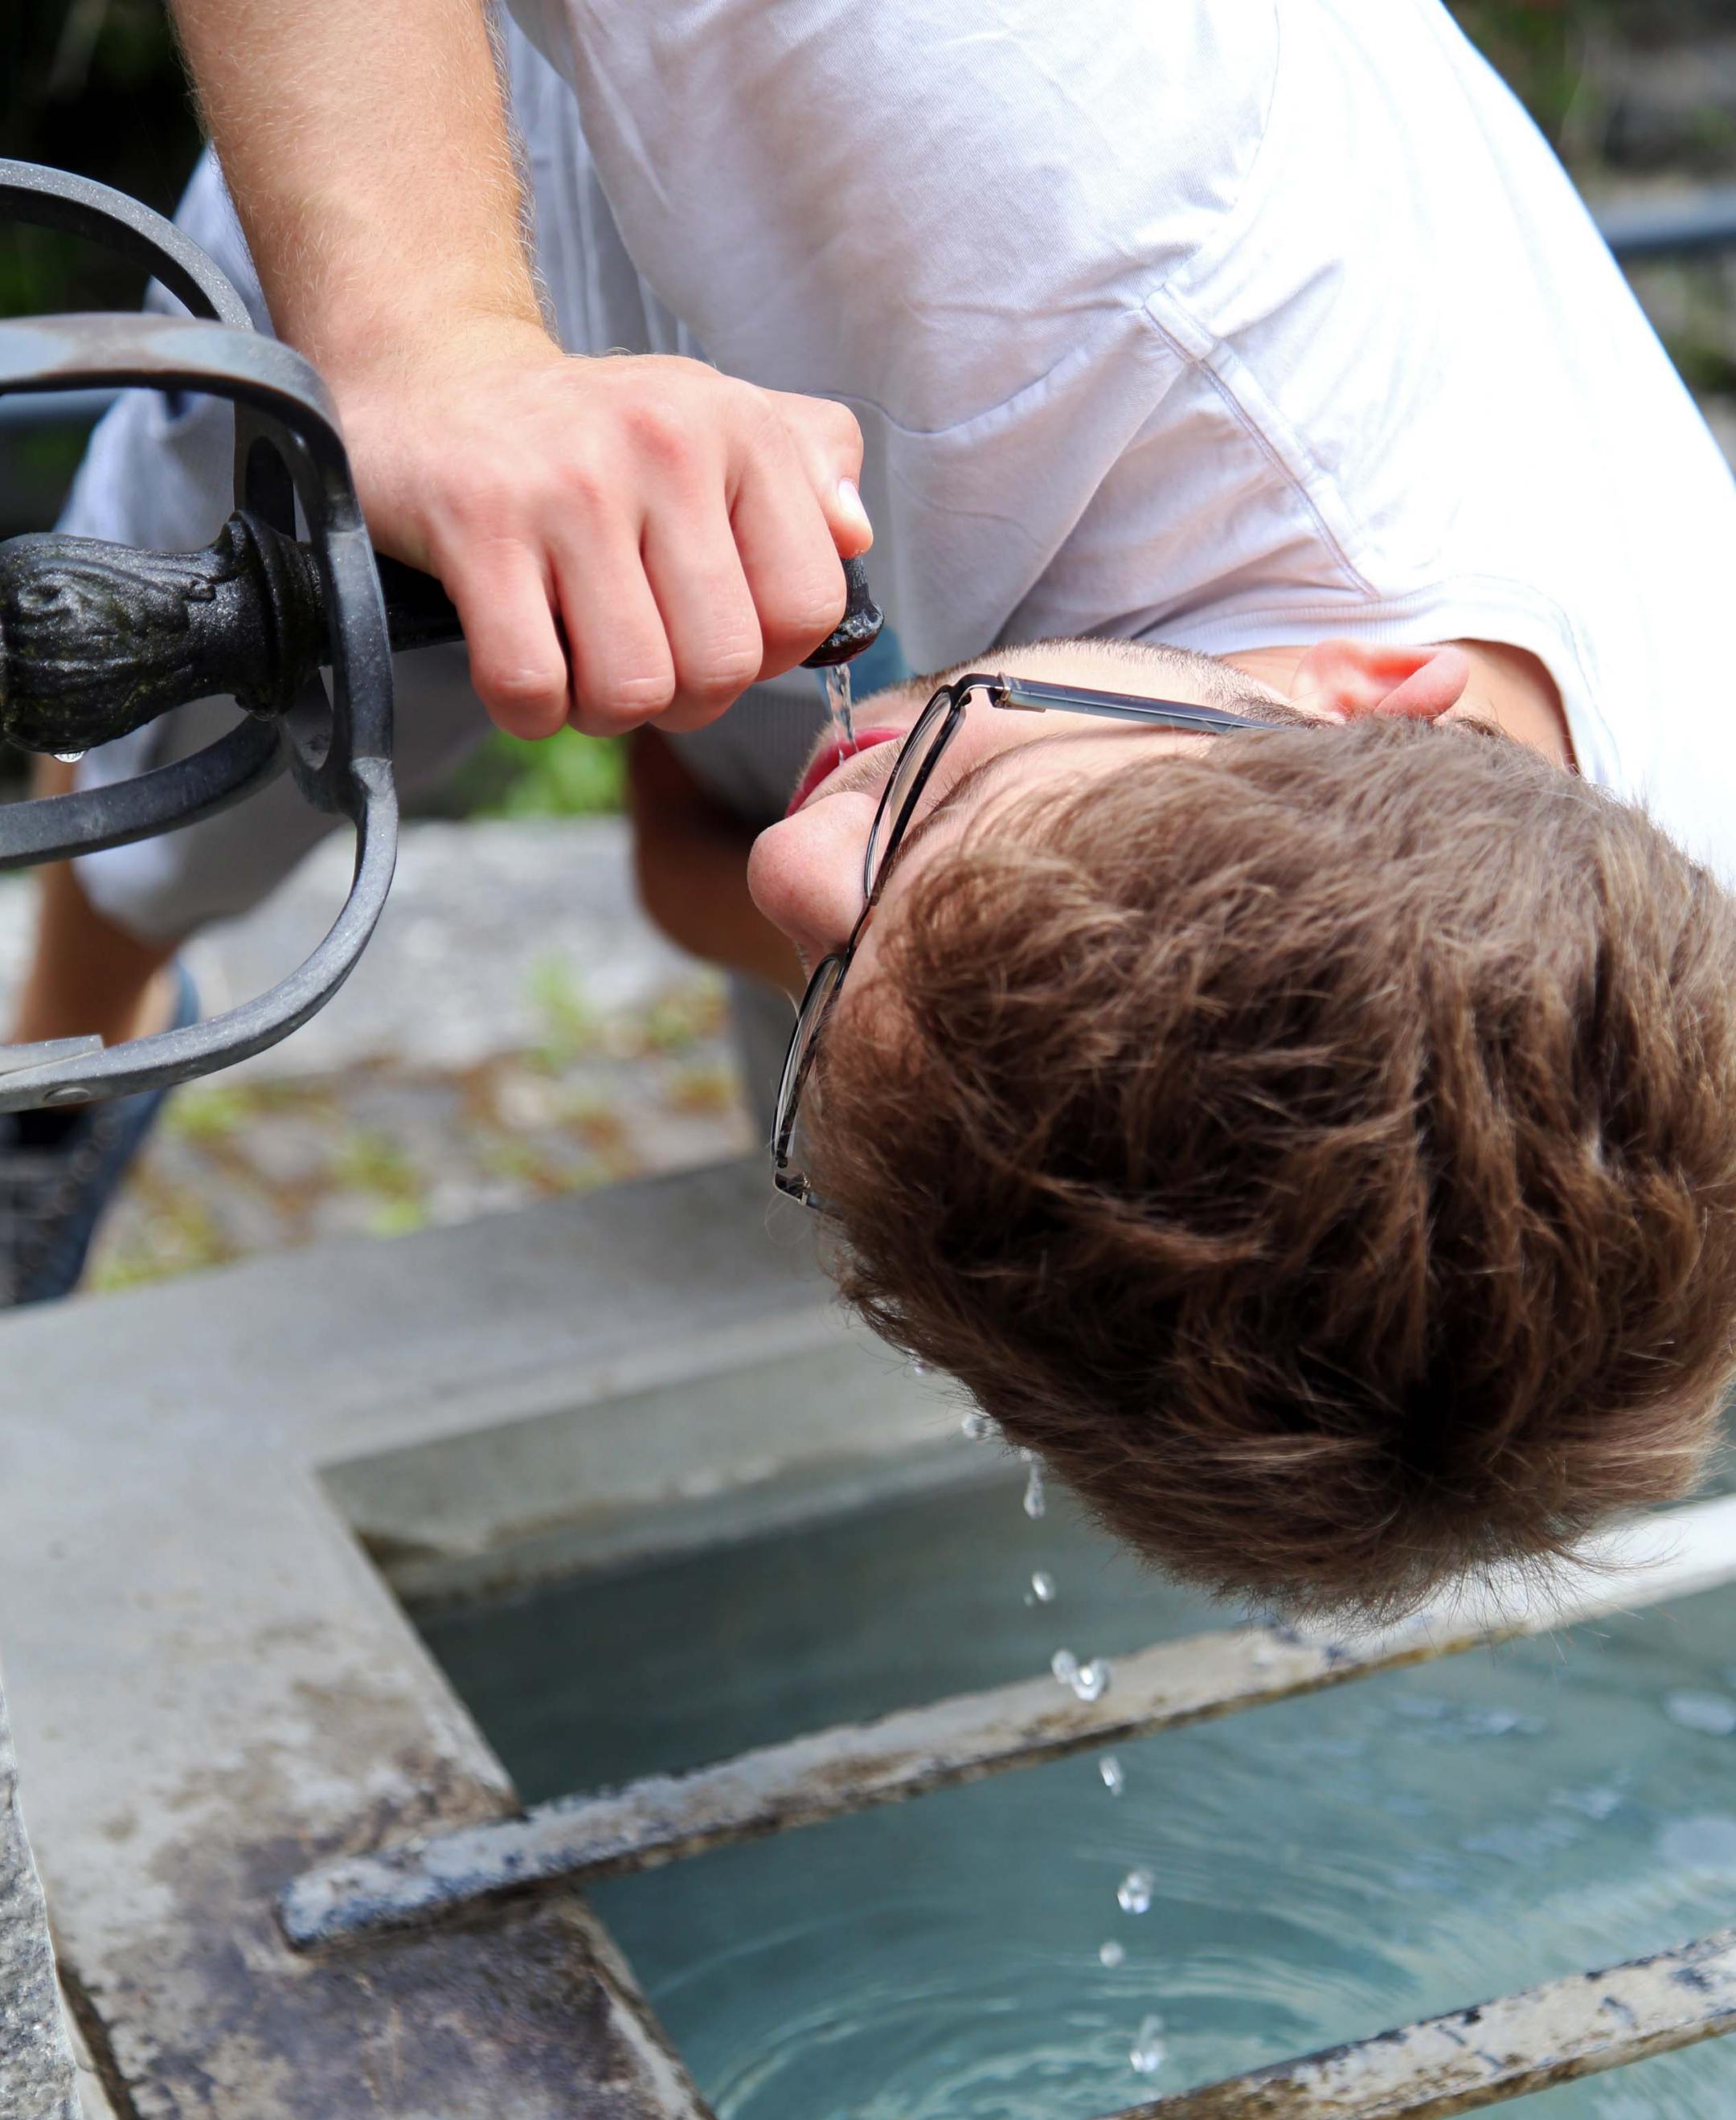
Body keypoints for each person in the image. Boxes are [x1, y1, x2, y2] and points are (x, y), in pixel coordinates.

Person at [11, 0, 1736, 1619]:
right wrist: (429, 341)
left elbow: (738, 880)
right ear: (1367, 702)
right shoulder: (1016, 114)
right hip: (471, 171)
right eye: (936, 804)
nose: (789, 865)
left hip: (912, 567)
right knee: (164, 833)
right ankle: (63, 1067)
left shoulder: (1630, 985)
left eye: (831, 983)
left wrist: (905, 879)